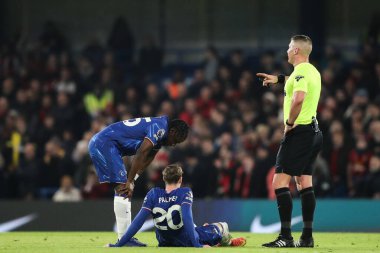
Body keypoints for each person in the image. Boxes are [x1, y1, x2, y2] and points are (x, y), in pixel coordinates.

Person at [257, 35, 323, 248]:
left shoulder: (301, 72)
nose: (286, 50)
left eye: (288, 47)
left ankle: (285, 236)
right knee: (304, 182)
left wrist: (289, 122)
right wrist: (277, 79)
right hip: (314, 132)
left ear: (296, 50)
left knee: (279, 182)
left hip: (299, 132)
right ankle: (307, 237)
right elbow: (294, 82)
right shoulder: (311, 71)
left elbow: (299, 97)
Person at [88, 116, 189, 245]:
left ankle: (125, 238)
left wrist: (133, 179)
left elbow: (148, 157)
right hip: (105, 144)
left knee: (124, 189)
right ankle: (124, 239)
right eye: (175, 140)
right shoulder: (160, 128)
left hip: (108, 145)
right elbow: (141, 153)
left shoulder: (160, 135)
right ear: (172, 131)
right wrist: (129, 181)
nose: (173, 144)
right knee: (122, 189)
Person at [107, 164, 246, 247]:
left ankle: (205, 234)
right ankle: (227, 242)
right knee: (223, 226)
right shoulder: (185, 192)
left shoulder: (153, 193)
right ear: (180, 179)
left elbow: (138, 221)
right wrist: (197, 245)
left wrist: (120, 243)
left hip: (164, 241)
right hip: (186, 240)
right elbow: (186, 218)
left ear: (163, 178)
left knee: (193, 226)